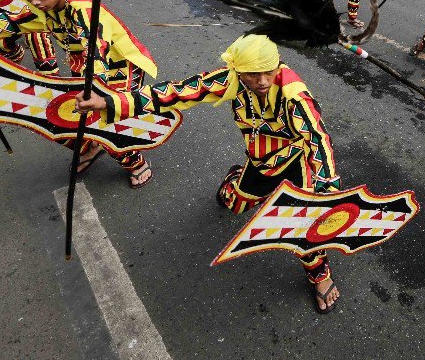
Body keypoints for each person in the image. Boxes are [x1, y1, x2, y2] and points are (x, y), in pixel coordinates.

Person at [75, 34, 342, 313]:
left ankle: (320, 276)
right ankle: (234, 181)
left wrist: (327, 192)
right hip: (259, 163)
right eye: (253, 74)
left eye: (268, 71)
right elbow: (178, 91)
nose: (262, 81)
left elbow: (318, 139)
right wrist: (109, 102)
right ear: (239, 71)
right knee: (234, 204)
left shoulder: (295, 97)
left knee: (303, 226)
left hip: (296, 166)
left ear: (278, 65)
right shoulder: (231, 80)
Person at [0, 0, 156, 187]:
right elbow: (12, 23)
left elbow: (95, 51)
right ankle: (91, 147)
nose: (35, 2)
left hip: (117, 65)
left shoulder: (84, 10)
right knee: (63, 116)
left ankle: (135, 162)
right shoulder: (44, 7)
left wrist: (97, 93)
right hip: (82, 64)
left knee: (106, 118)